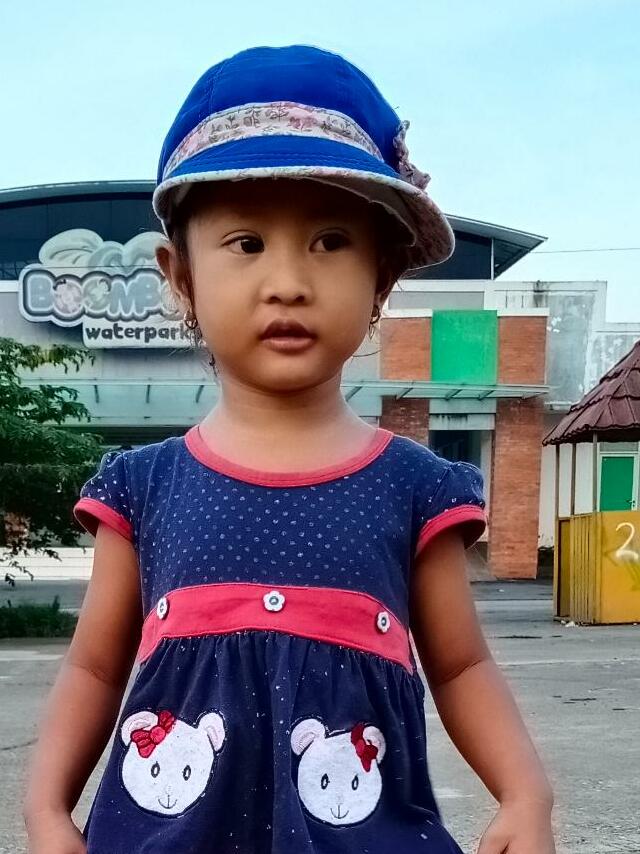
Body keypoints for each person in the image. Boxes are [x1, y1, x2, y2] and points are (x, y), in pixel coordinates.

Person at [23, 45, 555, 854]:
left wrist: (525, 795)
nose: (288, 282)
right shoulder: (142, 488)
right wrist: (46, 809)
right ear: (179, 276)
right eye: (246, 243)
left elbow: (460, 667)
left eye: (330, 240)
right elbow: (94, 668)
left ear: (381, 277)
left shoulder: (416, 487)